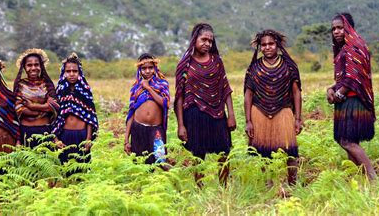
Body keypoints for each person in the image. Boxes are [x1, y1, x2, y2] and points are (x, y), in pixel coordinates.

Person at [174, 23, 236, 184]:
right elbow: (179, 96)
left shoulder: (216, 61)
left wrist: (231, 116)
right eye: (203, 39)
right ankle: (199, 187)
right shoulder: (185, 64)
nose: (207, 43)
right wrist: (181, 125)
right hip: (194, 114)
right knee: (198, 153)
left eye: (210, 41)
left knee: (224, 151)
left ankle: (224, 186)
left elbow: (225, 88)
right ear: (195, 39)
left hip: (217, 112)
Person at [244, 29, 303, 185]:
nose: (267, 47)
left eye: (271, 43)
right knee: (263, 153)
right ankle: (267, 185)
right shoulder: (254, 68)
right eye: (263, 45)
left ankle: (293, 184)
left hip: (284, 111)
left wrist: (298, 118)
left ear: (277, 45)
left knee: (290, 151)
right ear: (259, 47)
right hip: (259, 112)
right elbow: (248, 95)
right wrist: (248, 121)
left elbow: (296, 93)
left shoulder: (289, 66)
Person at [327, 13, 377, 180]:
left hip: (354, 100)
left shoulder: (354, 47)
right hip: (347, 99)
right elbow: (344, 78)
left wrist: (339, 94)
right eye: (333, 28)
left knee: (347, 141)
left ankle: (372, 178)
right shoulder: (345, 48)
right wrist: (332, 89)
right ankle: (359, 181)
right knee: (349, 142)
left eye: (340, 27)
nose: (336, 31)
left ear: (348, 28)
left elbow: (353, 78)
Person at [124, 53, 170, 167]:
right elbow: (131, 114)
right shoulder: (135, 88)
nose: (147, 71)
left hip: (156, 130)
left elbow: (165, 103)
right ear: (139, 70)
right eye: (144, 68)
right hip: (138, 129)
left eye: (150, 68)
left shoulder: (162, 84)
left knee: (161, 162)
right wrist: (126, 140)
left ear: (155, 68)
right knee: (141, 166)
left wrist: (148, 88)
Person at [52, 53, 98, 164]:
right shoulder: (58, 93)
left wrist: (88, 139)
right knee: (64, 170)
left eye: (75, 71)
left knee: (81, 170)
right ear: (64, 73)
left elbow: (90, 118)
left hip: (81, 136)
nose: (71, 74)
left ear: (79, 73)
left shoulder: (86, 93)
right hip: (64, 136)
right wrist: (56, 140)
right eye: (68, 71)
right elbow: (52, 119)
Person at [13, 48, 59, 148]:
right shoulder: (20, 85)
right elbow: (18, 108)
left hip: (45, 132)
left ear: (41, 66)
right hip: (25, 132)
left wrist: (32, 106)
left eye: (36, 64)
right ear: (24, 67)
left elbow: (54, 106)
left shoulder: (47, 85)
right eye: (29, 65)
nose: (33, 68)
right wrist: (43, 107)